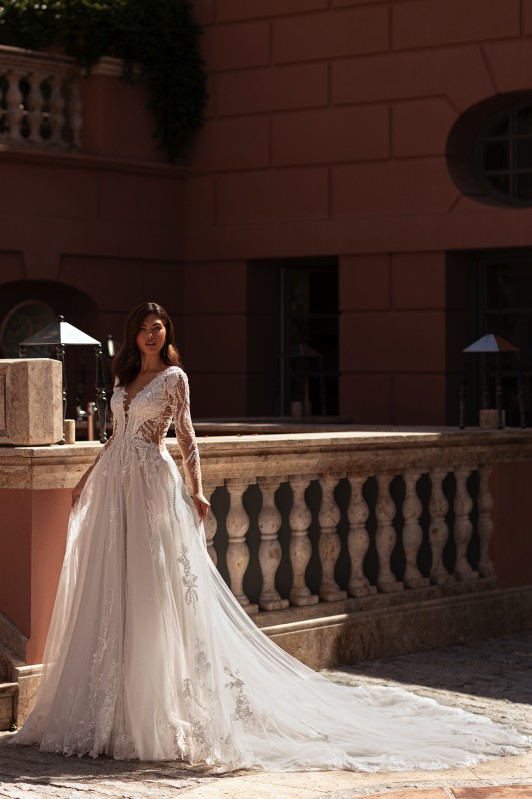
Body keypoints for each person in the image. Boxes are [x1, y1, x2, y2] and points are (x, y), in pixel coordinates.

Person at [11, 302, 529, 771]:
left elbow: (188, 438)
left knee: (154, 594)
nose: (151, 334)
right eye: (143, 329)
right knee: (115, 594)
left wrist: (198, 491)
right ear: (132, 336)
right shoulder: (122, 381)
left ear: (167, 332)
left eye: (158, 327)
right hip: (114, 492)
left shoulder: (174, 378)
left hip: (151, 488)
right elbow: (114, 439)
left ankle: (155, 715)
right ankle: (110, 709)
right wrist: (83, 483)